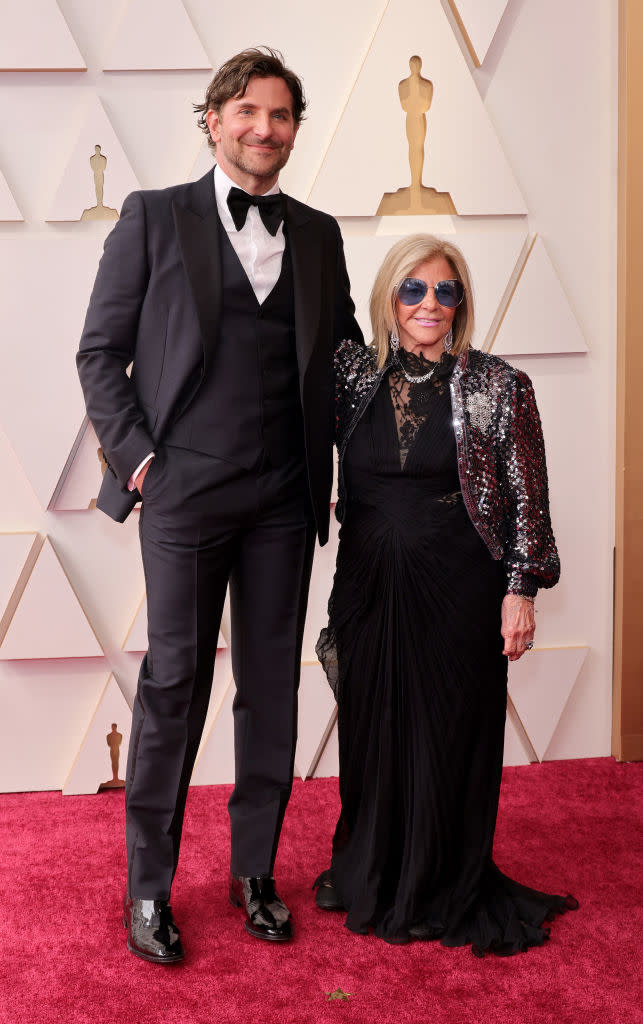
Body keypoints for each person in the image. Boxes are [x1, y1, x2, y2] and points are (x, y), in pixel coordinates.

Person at [76, 46, 362, 964]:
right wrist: (143, 464)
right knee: (174, 686)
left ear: (292, 130)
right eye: (246, 113)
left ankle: (253, 874)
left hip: (285, 493)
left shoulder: (318, 234)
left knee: (270, 689)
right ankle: (149, 891)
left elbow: (343, 359)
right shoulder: (154, 218)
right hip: (185, 489)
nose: (262, 130)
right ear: (212, 120)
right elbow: (98, 354)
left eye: (279, 116)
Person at [313, 235, 577, 954]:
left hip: (459, 587)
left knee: (447, 733)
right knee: (371, 732)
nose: (430, 304)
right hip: (367, 585)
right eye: (413, 289)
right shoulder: (348, 372)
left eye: (446, 291)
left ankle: (440, 881)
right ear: (388, 298)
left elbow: (528, 498)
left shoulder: (498, 384)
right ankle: (370, 866)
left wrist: (519, 591)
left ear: (460, 303)